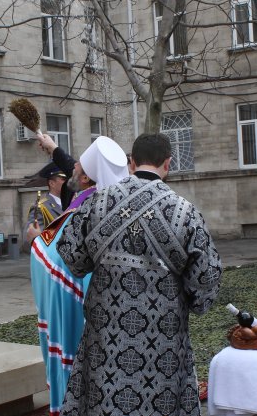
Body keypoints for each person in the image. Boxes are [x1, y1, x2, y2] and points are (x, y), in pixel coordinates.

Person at [56, 133, 222, 415]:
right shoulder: (185, 212)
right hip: (164, 336)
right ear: (168, 163)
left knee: (103, 398)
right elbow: (206, 277)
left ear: (131, 162)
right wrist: (195, 301)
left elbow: (71, 253)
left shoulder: (97, 203)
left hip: (105, 332)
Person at [30, 136, 128, 416]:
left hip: (76, 297)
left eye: (77, 168)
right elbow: (72, 164)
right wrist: (51, 148)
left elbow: (58, 252)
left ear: (86, 178)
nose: (71, 170)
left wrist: (40, 242)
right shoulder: (108, 200)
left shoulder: (87, 209)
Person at [24, 161, 67, 245]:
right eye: (64, 179)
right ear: (52, 183)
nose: (68, 182)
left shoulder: (73, 203)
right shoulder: (40, 207)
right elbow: (29, 239)